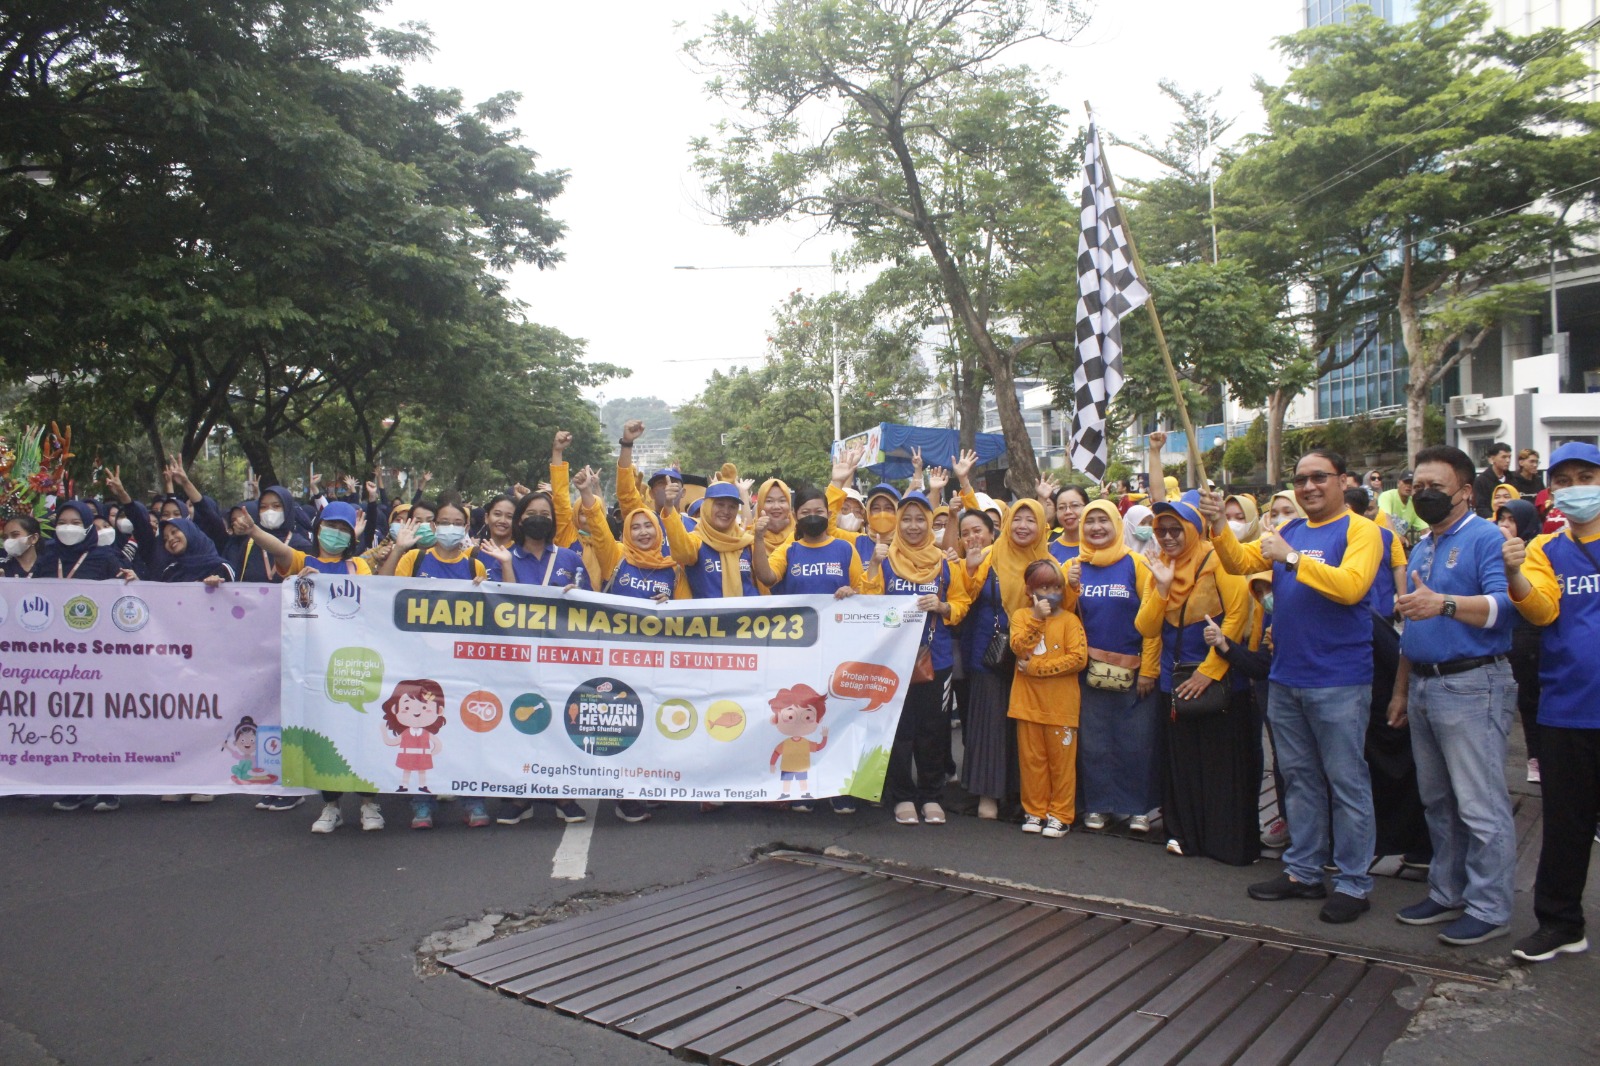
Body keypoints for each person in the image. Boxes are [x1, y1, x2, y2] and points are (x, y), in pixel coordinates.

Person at [1200, 448, 1383, 924]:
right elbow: (1240, 562)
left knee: (1346, 782)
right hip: (1286, 676)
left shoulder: (1362, 531)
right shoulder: (1290, 531)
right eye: (1300, 480)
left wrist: (1294, 558)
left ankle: (1353, 881)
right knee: (1298, 780)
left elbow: (1352, 587)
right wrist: (1219, 526)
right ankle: (1303, 871)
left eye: (1319, 477)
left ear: (1342, 481)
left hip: (1339, 679)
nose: (1308, 487)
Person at [1387, 445, 1518, 947]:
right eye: (1417, 487)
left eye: (1435, 488)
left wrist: (1442, 603)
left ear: (1465, 491)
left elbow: (1507, 608)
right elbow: (1410, 622)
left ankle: (1490, 905)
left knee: (1480, 804)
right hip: (1424, 683)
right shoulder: (1424, 544)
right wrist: (1401, 689)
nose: (1423, 495)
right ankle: (1448, 891)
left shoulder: (1485, 538)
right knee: (1438, 801)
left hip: (1472, 684)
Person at [1502, 440, 1600, 963]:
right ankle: (1561, 924)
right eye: (1563, 481)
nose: (1575, 489)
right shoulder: (1544, 549)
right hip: (1567, 708)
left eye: (1587, 476)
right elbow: (1540, 611)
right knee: (1566, 824)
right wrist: (1515, 571)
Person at [1140, 499, 1258, 865]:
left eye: (1177, 529)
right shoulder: (1159, 565)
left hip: (1220, 681)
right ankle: (1185, 834)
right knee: (1182, 763)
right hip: (1174, 679)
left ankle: (1226, 842)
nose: (1169, 537)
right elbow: (1145, 627)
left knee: (1222, 765)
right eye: (1161, 530)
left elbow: (1238, 614)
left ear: (1194, 529)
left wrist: (1208, 673)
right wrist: (1161, 589)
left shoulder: (1217, 558)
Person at [875, 490, 968, 826]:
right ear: (898, 522)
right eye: (907, 519)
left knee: (933, 729)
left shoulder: (944, 562)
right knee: (900, 729)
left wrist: (943, 607)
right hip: (892, 660)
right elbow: (866, 596)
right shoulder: (885, 559)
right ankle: (901, 796)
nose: (913, 526)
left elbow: (961, 603)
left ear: (930, 523)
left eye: (920, 519)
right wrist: (871, 565)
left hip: (936, 657)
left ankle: (931, 795)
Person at [1071, 500, 1162, 834]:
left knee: (1136, 741)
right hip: (1087, 673)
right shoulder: (1075, 566)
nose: (1096, 527)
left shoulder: (1135, 564)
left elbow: (1153, 619)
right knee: (1094, 743)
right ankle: (1098, 805)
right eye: (1090, 521)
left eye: (1103, 521)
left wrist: (1150, 669)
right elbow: (1065, 615)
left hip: (1134, 671)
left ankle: (1137, 808)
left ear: (1117, 524)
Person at [960, 499, 1053, 819]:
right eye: (1018, 519)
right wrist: (970, 569)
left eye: (1031, 520)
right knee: (990, 722)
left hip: (1033, 654)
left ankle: (1022, 793)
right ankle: (988, 794)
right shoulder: (988, 556)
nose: (1023, 526)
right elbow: (964, 596)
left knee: (1025, 728)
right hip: (991, 652)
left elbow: (1063, 607)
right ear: (1007, 522)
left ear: (1041, 525)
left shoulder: (1049, 563)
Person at [1008, 559, 1088, 837]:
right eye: (1043, 587)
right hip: (1026, 704)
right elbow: (1019, 647)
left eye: (1056, 586)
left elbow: (1078, 659)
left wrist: (1035, 668)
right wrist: (1037, 619)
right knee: (1032, 763)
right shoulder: (1021, 616)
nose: (1051, 592)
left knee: (1061, 764)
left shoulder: (1070, 620)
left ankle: (1061, 814)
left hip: (1061, 707)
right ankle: (1035, 811)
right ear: (1029, 590)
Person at [1497, 499, 1544, 784]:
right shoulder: (1493, 551)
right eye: (1501, 518)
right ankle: (1533, 756)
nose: (1504, 524)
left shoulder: (1537, 553)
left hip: (1532, 639)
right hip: (1508, 640)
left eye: (1512, 519)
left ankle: (1539, 755)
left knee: (1534, 700)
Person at [663, 481, 759, 598]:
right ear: (707, 506)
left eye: (732, 506)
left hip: (749, 615)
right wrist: (669, 507)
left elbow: (764, 581)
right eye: (720, 504)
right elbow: (682, 552)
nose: (726, 511)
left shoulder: (746, 542)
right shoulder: (697, 541)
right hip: (707, 616)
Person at [382, 501, 485, 580]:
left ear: (466, 529)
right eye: (444, 523)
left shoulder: (475, 567)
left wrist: (480, 587)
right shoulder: (413, 558)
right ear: (434, 526)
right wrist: (398, 549)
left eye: (457, 524)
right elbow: (383, 586)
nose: (450, 527)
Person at [1347, 488, 1406, 621]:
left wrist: (1401, 601)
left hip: (1383, 608)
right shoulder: (1340, 534)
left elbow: (1399, 567)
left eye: (1370, 509)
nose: (1366, 514)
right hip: (1351, 610)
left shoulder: (1389, 536)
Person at [1378, 471, 1428, 542]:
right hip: (1381, 539)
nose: (1408, 486)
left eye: (1411, 483)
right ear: (1398, 483)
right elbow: (1385, 519)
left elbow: (1425, 529)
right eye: (1405, 482)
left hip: (1398, 544)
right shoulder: (1387, 496)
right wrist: (1398, 537)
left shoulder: (1414, 503)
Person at [1047, 485, 1088, 564]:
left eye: (1075, 505)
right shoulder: (1049, 549)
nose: (1068, 512)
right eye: (1061, 507)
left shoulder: (1100, 544)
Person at [1472, 442, 1512, 518]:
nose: (1508, 460)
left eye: (1509, 457)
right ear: (1491, 459)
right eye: (1504, 457)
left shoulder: (1512, 478)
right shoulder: (1481, 481)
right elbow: (1481, 507)